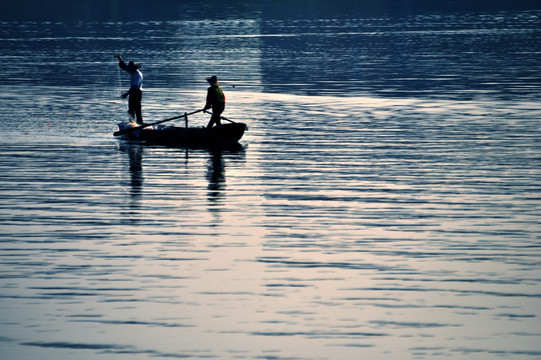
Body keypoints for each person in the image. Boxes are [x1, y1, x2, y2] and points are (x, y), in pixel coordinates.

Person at [114, 54, 143, 125]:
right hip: (132, 92)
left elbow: (134, 87)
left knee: (137, 109)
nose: (129, 70)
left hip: (137, 93)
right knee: (130, 110)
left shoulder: (137, 75)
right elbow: (123, 66)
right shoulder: (131, 70)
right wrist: (120, 59)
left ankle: (140, 124)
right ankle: (132, 123)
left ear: (134, 69)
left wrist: (126, 94)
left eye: (130, 69)